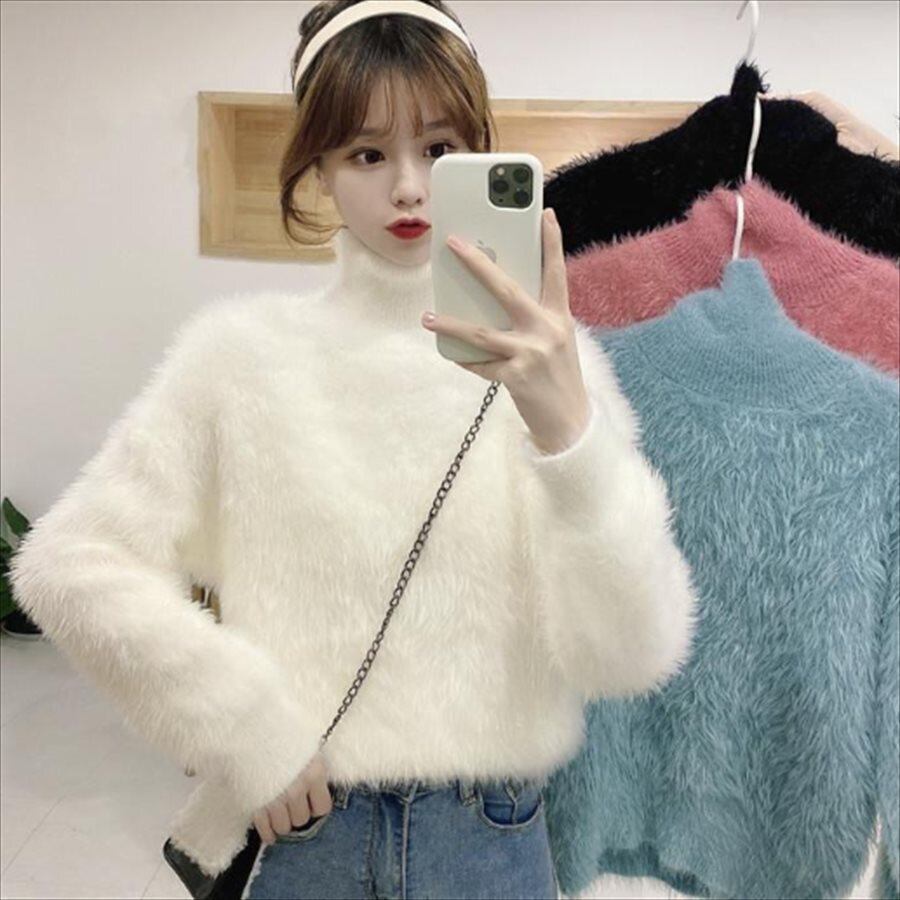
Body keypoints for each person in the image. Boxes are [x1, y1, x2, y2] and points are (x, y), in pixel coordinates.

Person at [8, 2, 698, 898]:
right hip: (310, 835)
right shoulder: (241, 361)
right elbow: (67, 564)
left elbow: (633, 655)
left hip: (489, 837)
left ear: (480, 154)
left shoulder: (555, 373)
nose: (409, 188)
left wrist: (569, 434)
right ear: (321, 170)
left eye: (440, 148)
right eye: (368, 154)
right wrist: (245, 727)